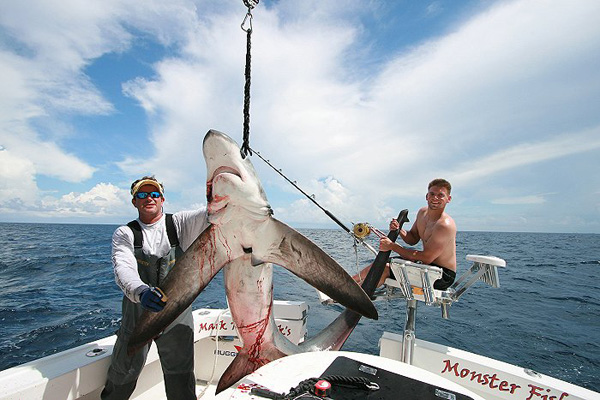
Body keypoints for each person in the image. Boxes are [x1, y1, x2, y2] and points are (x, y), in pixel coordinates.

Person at [101, 176, 209, 400]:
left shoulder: (179, 223)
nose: (148, 198)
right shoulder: (125, 233)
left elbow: (214, 209)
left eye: (153, 194)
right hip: (138, 311)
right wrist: (141, 292)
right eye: (141, 195)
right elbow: (123, 268)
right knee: (122, 373)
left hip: (176, 314)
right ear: (134, 202)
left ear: (162, 199)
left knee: (181, 376)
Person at [354, 178, 457, 290]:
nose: (435, 198)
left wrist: (392, 246)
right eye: (432, 194)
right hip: (427, 267)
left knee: (385, 269)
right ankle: (345, 284)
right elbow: (412, 239)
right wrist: (399, 229)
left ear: (448, 199)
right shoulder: (422, 213)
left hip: (442, 276)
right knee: (380, 262)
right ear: (427, 196)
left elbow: (426, 258)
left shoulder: (444, 225)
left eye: (440, 195)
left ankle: (355, 298)